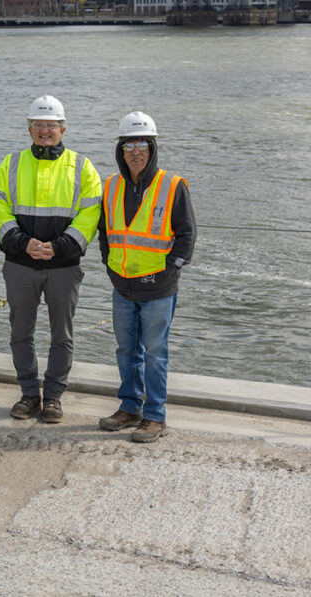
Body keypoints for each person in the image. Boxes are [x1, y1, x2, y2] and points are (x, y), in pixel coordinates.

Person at [0, 95, 102, 424]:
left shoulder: (82, 166)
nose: (45, 130)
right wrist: (23, 243)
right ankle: (28, 394)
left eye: (51, 125)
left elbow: (91, 213)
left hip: (63, 266)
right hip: (20, 264)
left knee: (61, 336)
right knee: (20, 333)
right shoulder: (11, 164)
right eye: (38, 124)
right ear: (29, 129)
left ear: (63, 129)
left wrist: (61, 246)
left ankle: (53, 397)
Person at [97, 112, 196, 443]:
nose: (135, 151)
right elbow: (105, 233)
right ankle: (130, 408)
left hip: (158, 288)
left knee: (155, 353)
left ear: (152, 148)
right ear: (120, 150)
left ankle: (155, 416)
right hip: (122, 285)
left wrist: (170, 270)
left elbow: (187, 235)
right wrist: (109, 264)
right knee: (126, 350)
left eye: (142, 144)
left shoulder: (173, 185)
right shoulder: (111, 186)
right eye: (129, 145)